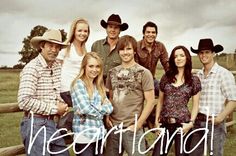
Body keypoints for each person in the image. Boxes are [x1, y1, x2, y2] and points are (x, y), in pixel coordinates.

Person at [18, 29, 69, 155]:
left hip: (52, 123)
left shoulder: (57, 66)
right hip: (35, 123)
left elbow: (54, 91)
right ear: (42, 46)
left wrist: (61, 104)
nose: (54, 50)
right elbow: (24, 101)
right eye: (50, 46)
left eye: (57, 47)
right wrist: (55, 109)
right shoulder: (32, 68)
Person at [105, 35, 155, 156]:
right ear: (118, 51)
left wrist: (138, 124)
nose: (125, 52)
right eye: (122, 49)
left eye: (128, 49)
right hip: (114, 127)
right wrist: (107, 116)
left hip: (132, 128)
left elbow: (150, 101)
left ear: (134, 50)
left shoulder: (144, 73)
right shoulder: (112, 72)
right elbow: (111, 98)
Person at [189, 38, 236, 156]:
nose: (203, 55)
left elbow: (233, 99)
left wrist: (220, 118)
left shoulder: (223, 74)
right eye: (201, 52)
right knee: (194, 153)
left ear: (213, 53)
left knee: (214, 154)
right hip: (198, 121)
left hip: (215, 122)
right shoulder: (198, 75)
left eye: (207, 52)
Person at [152, 45, 201, 156]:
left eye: (181, 55)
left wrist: (191, 123)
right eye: (175, 56)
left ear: (187, 58)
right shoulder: (166, 77)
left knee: (181, 154)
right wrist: (156, 122)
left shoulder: (194, 80)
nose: (178, 58)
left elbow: (196, 104)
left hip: (183, 125)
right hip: (165, 123)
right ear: (172, 60)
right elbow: (160, 101)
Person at [70, 52, 113, 156]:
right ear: (84, 67)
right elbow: (85, 108)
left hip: (99, 134)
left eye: (97, 66)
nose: (95, 69)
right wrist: (101, 111)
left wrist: (93, 108)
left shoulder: (98, 85)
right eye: (91, 66)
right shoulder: (78, 84)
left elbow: (110, 108)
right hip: (84, 136)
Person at [57, 18, 90, 106]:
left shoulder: (85, 51)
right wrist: (56, 94)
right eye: (79, 30)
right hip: (66, 91)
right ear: (74, 31)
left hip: (79, 90)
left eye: (85, 31)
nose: (83, 33)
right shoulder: (65, 48)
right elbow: (56, 69)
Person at [135, 21, 169, 97]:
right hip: (138, 81)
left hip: (152, 81)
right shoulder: (136, 46)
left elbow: (167, 64)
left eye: (153, 32)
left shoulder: (160, 46)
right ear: (143, 33)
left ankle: (157, 108)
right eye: (148, 32)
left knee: (168, 90)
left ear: (156, 34)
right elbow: (135, 68)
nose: (151, 35)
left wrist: (173, 78)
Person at [91, 14, 128, 82]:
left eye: (116, 28)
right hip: (97, 84)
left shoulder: (125, 48)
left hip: (116, 85)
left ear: (120, 30)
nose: (113, 30)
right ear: (106, 29)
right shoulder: (96, 45)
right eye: (110, 27)